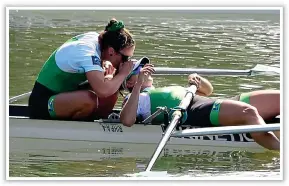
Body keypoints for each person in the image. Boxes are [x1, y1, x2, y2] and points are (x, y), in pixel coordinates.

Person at [119, 59, 280, 150]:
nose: (146, 69)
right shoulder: (136, 98)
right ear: (131, 82)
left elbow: (208, 91)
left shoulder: (160, 90)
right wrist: (138, 86)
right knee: (249, 112)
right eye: (139, 68)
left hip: (215, 102)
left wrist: (197, 80)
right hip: (199, 112)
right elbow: (127, 120)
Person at [29, 18, 137, 120]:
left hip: (65, 93)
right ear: (111, 51)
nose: (126, 62)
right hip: (42, 103)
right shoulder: (87, 52)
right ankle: (81, 131)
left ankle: (101, 125)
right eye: (125, 58)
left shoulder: (100, 40)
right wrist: (122, 74)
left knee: (113, 87)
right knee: (89, 99)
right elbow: (103, 91)